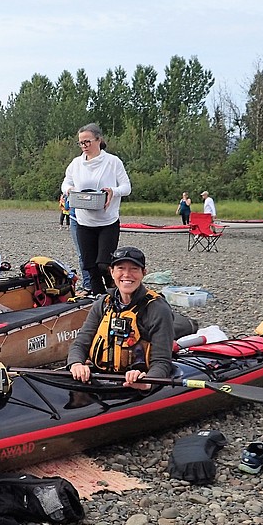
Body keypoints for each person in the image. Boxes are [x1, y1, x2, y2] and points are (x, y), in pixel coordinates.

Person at [67, 246, 176, 390]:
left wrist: (148, 382)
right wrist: (76, 364)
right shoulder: (103, 303)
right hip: (99, 376)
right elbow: (80, 343)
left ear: (144, 273)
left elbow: (162, 361)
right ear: (112, 272)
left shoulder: (158, 309)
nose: (126, 274)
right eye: (120, 268)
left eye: (134, 269)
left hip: (137, 379)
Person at [61, 123, 131, 296]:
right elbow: (66, 182)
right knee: (89, 265)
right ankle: (100, 301)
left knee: (103, 264)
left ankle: (115, 290)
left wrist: (113, 191)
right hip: (84, 222)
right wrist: (68, 190)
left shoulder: (112, 162)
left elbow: (127, 187)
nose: (84, 146)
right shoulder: (76, 164)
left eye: (87, 142)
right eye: (81, 143)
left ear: (98, 140)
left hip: (107, 222)